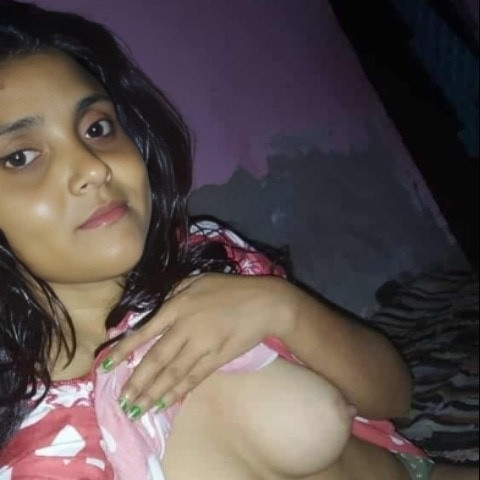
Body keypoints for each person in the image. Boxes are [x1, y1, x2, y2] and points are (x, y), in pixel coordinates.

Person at [0, 2, 477, 479]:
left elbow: (395, 398)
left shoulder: (201, 253)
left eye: (97, 128)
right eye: (20, 157)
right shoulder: (37, 449)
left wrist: (280, 307)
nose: (92, 167)